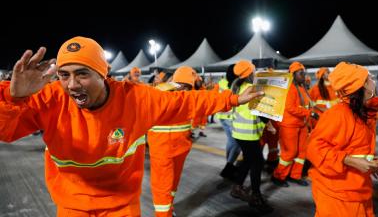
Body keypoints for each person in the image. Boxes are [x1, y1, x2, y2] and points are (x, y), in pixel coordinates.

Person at [0, 36, 263, 217]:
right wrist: (13, 98)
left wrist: (234, 98)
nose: (72, 84)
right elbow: (7, 132)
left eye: (82, 73)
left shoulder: (135, 99)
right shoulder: (50, 99)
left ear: (103, 74)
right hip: (71, 206)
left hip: (120, 206)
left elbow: (185, 102)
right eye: (64, 75)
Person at [307, 62, 378, 216]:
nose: (374, 81)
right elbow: (314, 148)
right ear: (361, 85)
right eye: (370, 78)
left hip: (357, 189)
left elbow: (354, 147)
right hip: (338, 196)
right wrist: (351, 161)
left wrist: (369, 162)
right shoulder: (339, 114)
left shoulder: (362, 112)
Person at [148, 66, 200, 217]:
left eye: (188, 87)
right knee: (162, 186)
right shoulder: (158, 93)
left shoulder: (187, 96)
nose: (185, 89)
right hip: (162, 149)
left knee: (171, 185)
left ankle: (168, 209)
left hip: (179, 147)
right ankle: (163, 214)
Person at [230, 60, 273, 213]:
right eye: (254, 70)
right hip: (249, 134)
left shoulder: (237, 87)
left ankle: (237, 187)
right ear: (250, 73)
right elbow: (261, 113)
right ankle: (256, 197)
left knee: (248, 160)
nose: (256, 72)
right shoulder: (253, 88)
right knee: (257, 162)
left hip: (239, 133)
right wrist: (269, 121)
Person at [271, 61, 318, 187]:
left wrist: (314, 113)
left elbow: (308, 105)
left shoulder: (302, 88)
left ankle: (295, 175)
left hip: (302, 125)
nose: (304, 75)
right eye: (301, 73)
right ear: (293, 74)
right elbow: (290, 108)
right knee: (290, 152)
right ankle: (278, 176)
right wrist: (309, 113)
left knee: (302, 151)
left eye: (304, 73)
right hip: (289, 125)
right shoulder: (289, 89)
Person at [217, 64, 242, 181]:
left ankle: (229, 163)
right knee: (237, 143)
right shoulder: (235, 84)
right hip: (230, 117)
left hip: (222, 116)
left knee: (231, 141)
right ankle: (229, 166)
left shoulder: (221, 82)